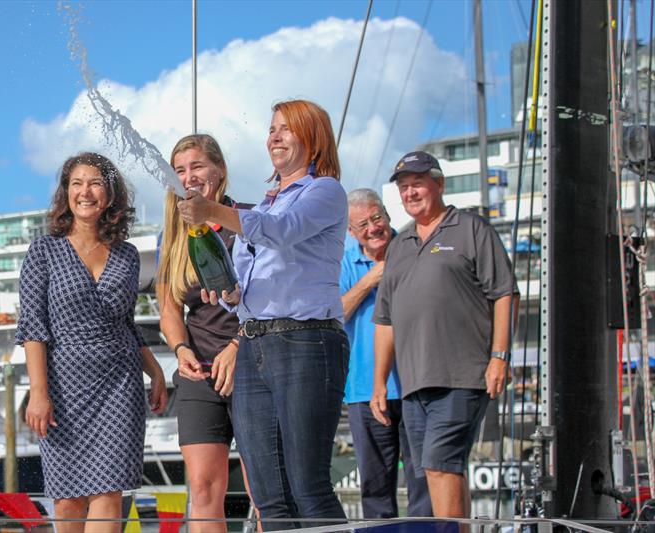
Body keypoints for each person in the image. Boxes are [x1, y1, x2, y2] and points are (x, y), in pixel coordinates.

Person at [177, 99, 349, 530]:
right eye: (272, 128)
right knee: (270, 495)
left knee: (308, 486)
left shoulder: (324, 191)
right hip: (255, 341)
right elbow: (259, 272)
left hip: (307, 341)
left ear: (313, 138)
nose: (274, 136)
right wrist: (233, 294)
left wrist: (212, 212)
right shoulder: (267, 202)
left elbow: (283, 232)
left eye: (286, 129)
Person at [16, 152, 168, 533]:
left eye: (95, 183)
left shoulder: (128, 255)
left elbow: (127, 324)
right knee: (67, 499)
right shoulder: (43, 252)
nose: (86, 192)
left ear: (110, 194)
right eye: (77, 183)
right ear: (66, 193)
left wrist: (156, 373)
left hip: (120, 386)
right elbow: (33, 328)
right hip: (62, 389)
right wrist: (39, 392)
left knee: (109, 493)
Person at [370, 151, 516, 518]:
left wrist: (499, 357)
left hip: (461, 375)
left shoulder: (470, 228)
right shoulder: (399, 245)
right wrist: (379, 383)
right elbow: (385, 319)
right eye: (403, 187)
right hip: (414, 383)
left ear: (439, 183)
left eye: (417, 183)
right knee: (438, 473)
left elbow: (504, 293)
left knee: (439, 464)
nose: (410, 192)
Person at [156, 134, 254, 532]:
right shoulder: (172, 235)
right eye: (180, 170)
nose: (189, 176)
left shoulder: (247, 219)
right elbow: (168, 308)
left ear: (220, 171)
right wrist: (180, 350)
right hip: (199, 372)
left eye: (197, 166)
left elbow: (274, 299)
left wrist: (237, 345)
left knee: (260, 486)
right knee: (203, 486)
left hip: (251, 363)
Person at [340, 188, 432, 518]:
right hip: (364, 390)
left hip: (417, 384)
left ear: (388, 216)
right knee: (375, 490)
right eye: (362, 224)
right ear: (351, 231)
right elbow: (335, 314)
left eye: (376, 218)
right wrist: (371, 279)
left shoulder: (413, 249)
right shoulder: (344, 259)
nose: (372, 228)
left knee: (425, 484)